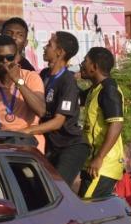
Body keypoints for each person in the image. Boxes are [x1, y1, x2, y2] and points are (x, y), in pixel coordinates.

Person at [28, 30, 90, 186]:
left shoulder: (67, 81)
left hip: (71, 145)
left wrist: (26, 131)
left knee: (57, 188)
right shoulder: (43, 75)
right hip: (51, 145)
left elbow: (57, 122)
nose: (44, 47)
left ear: (59, 52)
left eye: (49, 44)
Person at [77, 47, 126, 198]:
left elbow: (116, 124)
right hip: (93, 163)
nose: (81, 64)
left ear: (94, 67)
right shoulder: (95, 89)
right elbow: (76, 97)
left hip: (103, 165)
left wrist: (99, 158)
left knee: (86, 212)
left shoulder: (109, 89)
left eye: (85, 61)